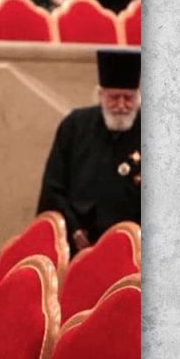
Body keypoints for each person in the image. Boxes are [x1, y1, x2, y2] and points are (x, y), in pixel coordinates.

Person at [37, 49, 141, 252]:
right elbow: (53, 187)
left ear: (138, 97)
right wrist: (73, 229)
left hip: (135, 248)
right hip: (77, 242)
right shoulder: (75, 125)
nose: (121, 105)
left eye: (128, 98)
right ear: (100, 95)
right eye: (113, 97)